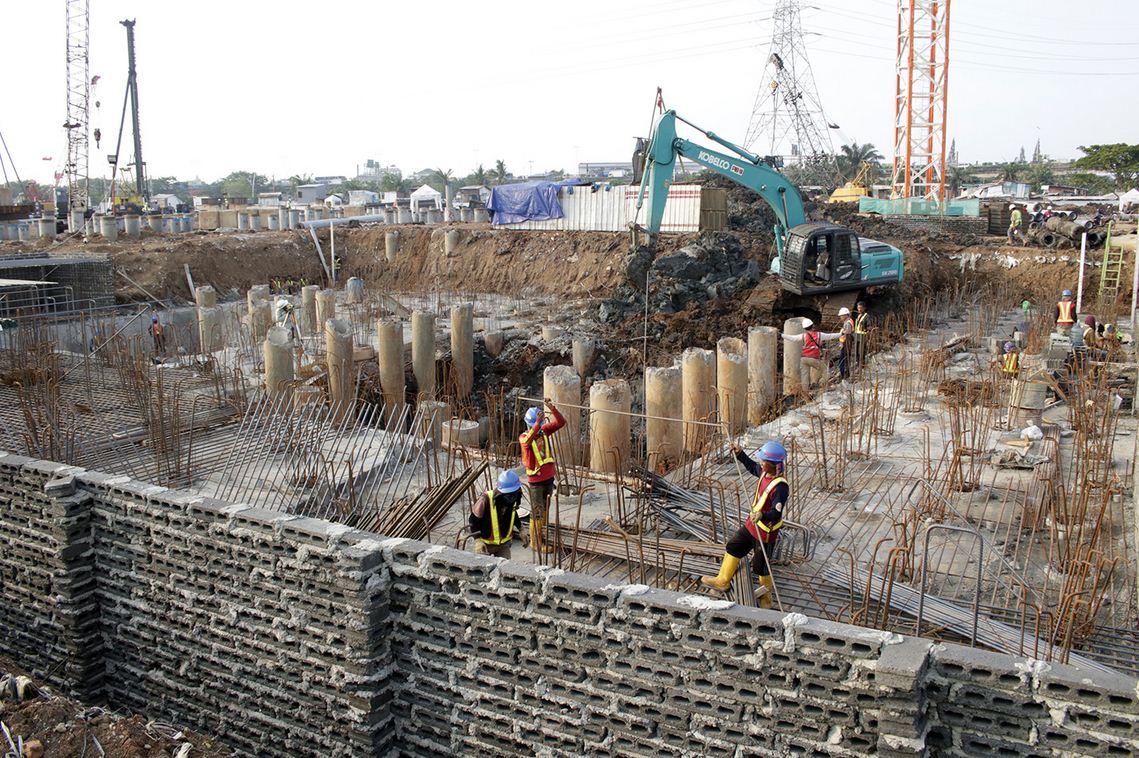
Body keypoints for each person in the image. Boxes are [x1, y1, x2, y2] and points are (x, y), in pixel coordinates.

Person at [701, 440, 789, 608]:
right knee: (733, 546)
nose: (761, 463)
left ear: (773, 464)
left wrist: (762, 515)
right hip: (751, 527)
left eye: (764, 461)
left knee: (760, 567)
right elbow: (751, 466)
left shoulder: (781, 488)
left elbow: (776, 514)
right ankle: (723, 580)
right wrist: (740, 453)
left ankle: (766, 599)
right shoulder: (764, 473)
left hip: (765, 533)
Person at [519, 398, 566, 551]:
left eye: (539, 426)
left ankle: (541, 535)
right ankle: (536, 543)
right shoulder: (524, 437)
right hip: (536, 481)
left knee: (545, 508)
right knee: (537, 511)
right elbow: (526, 442)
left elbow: (561, 422)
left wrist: (552, 408)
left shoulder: (544, 431)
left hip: (548, 478)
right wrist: (537, 424)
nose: (538, 429)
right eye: (535, 426)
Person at [469, 470, 522, 558]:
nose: (511, 497)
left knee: (504, 568)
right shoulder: (485, 500)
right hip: (486, 544)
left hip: (504, 545)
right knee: (483, 568)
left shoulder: (514, 497)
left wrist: (521, 528)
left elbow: (513, 514)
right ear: (501, 492)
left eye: (513, 493)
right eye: (508, 494)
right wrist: (477, 540)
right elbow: (473, 520)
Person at [785, 317, 841, 392]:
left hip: (803, 359)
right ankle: (822, 383)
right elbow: (831, 336)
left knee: (804, 377)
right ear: (812, 326)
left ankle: (805, 394)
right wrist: (841, 334)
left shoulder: (803, 335)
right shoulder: (819, 335)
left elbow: (792, 338)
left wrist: (782, 335)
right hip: (813, 358)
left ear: (804, 328)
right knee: (825, 370)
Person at [837, 306, 855, 380]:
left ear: (845, 315)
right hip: (847, 344)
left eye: (841, 316)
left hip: (845, 344)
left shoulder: (847, 323)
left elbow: (846, 334)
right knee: (846, 359)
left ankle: (843, 374)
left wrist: (841, 332)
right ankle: (846, 373)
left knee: (842, 360)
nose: (840, 317)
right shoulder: (849, 321)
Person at [854, 301, 871, 367]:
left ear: (864, 308)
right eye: (858, 308)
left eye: (861, 308)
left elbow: (869, 325)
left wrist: (867, 329)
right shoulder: (858, 316)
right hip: (857, 335)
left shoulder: (867, 316)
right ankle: (857, 362)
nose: (859, 309)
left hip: (862, 335)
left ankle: (862, 363)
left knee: (861, 350)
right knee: (856, 350)